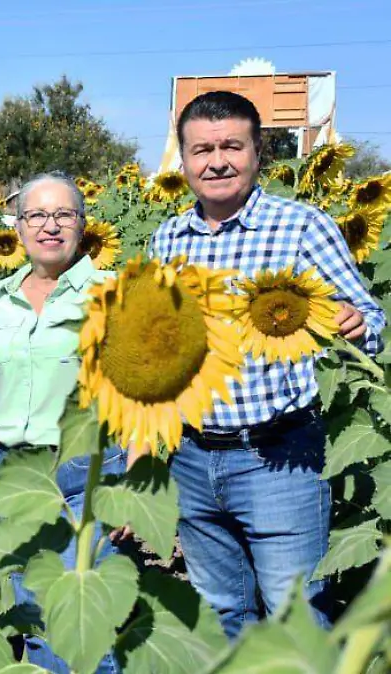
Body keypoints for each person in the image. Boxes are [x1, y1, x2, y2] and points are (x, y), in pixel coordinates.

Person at [149, 91, 385, 638]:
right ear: (183, 161)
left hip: (278, 458)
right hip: (191, 456)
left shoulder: (302, 226)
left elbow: (371, 320)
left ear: (259, 154)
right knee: (219, 613)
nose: (216, 161)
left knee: (295, 617)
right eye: (201, 149)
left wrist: (355, 320)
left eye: (232, 145)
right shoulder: (168, 238)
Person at [0, 172, 122, 673]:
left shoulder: (111, 296)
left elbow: (143, 393)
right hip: (16, 474)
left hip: (87, 475)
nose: (49, 226)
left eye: (64, 215)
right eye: (37, 215)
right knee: (36, 613)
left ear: (83, 225)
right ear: (18, 225)